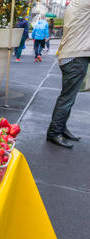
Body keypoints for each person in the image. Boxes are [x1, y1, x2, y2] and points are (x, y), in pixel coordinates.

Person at [46, 0, 90, 148]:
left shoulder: (75, 3)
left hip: (71, 56)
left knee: (68, 97)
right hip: (76, 57)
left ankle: (61, 128)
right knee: (67, 98)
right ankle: (54, 132)